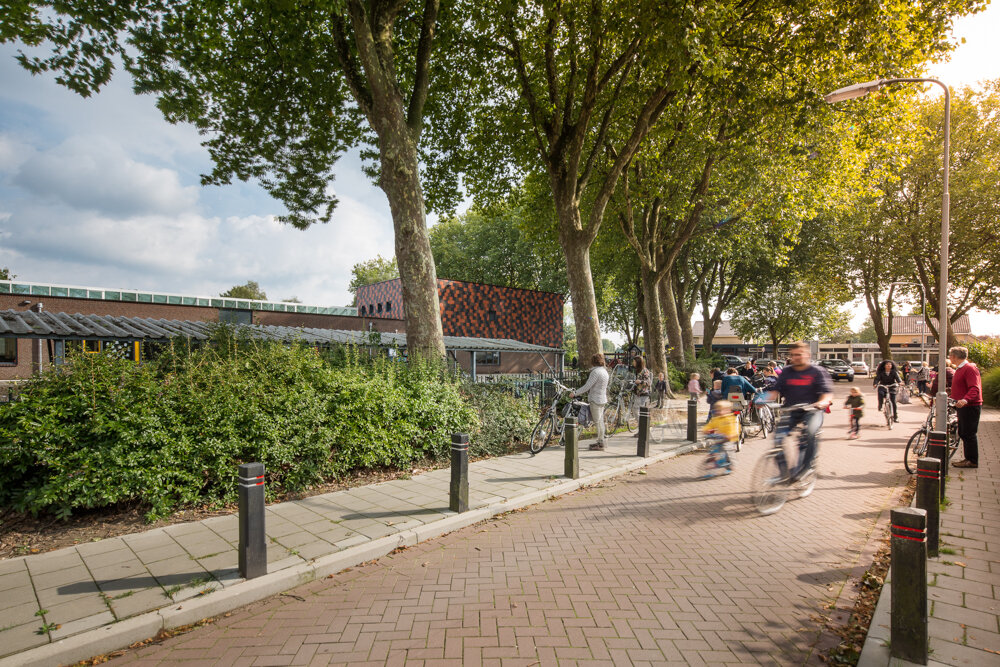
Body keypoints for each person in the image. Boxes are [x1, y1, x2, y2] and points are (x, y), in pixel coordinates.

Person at [765, 341, 834, 482]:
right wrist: (763, 401)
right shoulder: (787, 372)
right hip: (791, 411)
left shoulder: (817, 372)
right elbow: (775, 391)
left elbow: (827, 394)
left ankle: (806, 467)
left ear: (807, 355)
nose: (796, 357)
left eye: (799, 354)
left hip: (812, 411)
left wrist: (821, 403)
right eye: (793, 355)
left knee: (810, 432)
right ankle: (784, 474)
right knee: (777, 439)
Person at [949, 347, 982, 469]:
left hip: (970, 406)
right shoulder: (960, 368)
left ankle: (972, 461)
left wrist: (965, 399)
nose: (949, 357)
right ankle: (968, 458)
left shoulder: (969, 368)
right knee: (963, 432)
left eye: (950, 355)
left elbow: (974, 388)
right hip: (963, 406)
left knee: (969, 433)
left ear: (955, 356)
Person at [571, 353, 609, 451]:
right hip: (602, 399)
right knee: (600, 421)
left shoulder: (595, 372)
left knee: (598, 422)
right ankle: (601, 442)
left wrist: (575, 393)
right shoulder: (604, 371)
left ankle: (601, 444)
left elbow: (587, 386)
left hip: (595, 400)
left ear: (593, 361)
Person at [701, 400, 738, 478]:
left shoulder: (730, 419)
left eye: (720, 410)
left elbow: (733, 429)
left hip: (728, 439)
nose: (718, 412)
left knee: (727, 450)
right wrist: (706, 430)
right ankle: (712, 466)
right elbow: (710, 425)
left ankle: (730, 465)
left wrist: (730, 435)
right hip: (719, 437)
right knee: (713, 450)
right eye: (717, 410)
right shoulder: (715, 419)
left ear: (727, 410)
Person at [631, 357, 652, 436]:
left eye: (634, 361)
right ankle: (642, 429)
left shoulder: (645, 371)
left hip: (643, 394)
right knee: (636, 411)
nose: (633, 363)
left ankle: (643, 430)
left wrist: (640, 381)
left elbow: (648, 383)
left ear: (638, 362)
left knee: (637, 411)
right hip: (638, 394)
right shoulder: (637, 371)